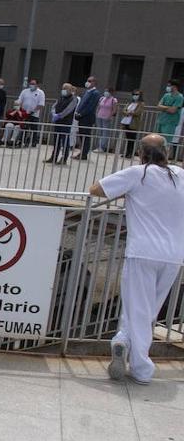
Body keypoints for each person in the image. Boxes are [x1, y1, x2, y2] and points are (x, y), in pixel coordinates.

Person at [90, 134, 184, 385]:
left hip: (143, 252)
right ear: (167, 152)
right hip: (173, 255)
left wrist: (129, 192)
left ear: (141, 153)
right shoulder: (179, 175)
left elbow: (96, 189)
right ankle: (123, 339)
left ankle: (141, 367)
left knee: (138, 308)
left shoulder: (137, 174)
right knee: (147, 309)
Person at [45, 84, 77, 165]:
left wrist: (60, 115)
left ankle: (64, 158)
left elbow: (68, 110)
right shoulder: (61, 97)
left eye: (65, 89)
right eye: (63, 88)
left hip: (66, 123)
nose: (63, 90)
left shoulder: (73, 99)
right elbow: (54, 106)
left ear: (70, 90)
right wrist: (53, 113)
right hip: (58, 122)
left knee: (65, 141)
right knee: (56, 141)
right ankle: (53, 157)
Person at [73, 78, 101, 160]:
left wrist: (81, 114)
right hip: (81, 117)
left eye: (90, 81)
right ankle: (82, 152)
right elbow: (82, 104)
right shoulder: (87, 92)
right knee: (82, 136)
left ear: (94, 83)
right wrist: (77, 112)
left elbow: (90, 106)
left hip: (87, 118)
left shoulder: (95, 93)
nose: (87, 82)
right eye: (87, 81)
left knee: (85, 136)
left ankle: (84, 154)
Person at [17, 79, 45, 147]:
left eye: (33, 84)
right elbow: (19, 100)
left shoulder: (40, 93)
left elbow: (41, 104)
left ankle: (33, 142)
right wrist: (19, 109)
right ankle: (22, 141)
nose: (31, 85)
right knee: (24, 128)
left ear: (37, 85)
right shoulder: (25, 91)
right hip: (24, 113)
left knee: (34, 129)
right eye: (31, 83)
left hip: (34, 114)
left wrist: (33, 111)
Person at [120, 91, 144, 158]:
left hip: (133, 123)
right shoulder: (130, 102)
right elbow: (124, 110)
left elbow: (138, 112)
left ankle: (130, 153)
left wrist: (130, 112)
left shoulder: (141, 104)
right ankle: (127, 152)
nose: (135, 96)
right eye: (134, 94)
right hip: (126, 122)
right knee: (128, 138)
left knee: (132, 138)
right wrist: (127, 112)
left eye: (136, 94)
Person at [95, 87, 118, 152]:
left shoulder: (113, 100)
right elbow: (98, 107)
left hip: (107, 118)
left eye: (107, 91)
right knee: (100, 132)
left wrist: (110, 116)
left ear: (111, 92)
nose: (106, 92)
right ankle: (99, 146)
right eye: (105, 91)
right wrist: (96, 114)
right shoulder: (102, 98)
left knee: (105, 132)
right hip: (99, 116)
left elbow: (114, 110)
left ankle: (102, 147)